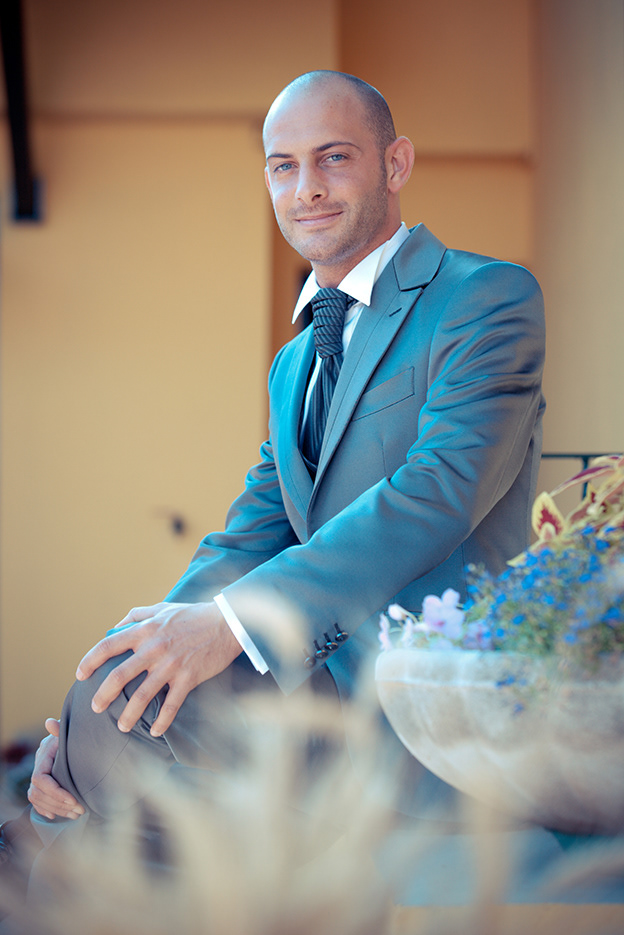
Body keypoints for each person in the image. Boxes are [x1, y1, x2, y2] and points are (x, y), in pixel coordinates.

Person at [4, 70, 545, 855]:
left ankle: (34, 869)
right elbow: (252, 531)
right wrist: (137, 662)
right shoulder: (295, 364)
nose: (306, 188)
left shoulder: (483, 296)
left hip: (426, 700)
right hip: (313, 686)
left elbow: (438, 490)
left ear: (395, 164)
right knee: (109, 699)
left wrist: (231, 623)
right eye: (283, 166)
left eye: (334, 158)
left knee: (86, 788)